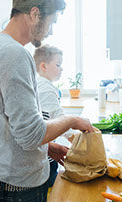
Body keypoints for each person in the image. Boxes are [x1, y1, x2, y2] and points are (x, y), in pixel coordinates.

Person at [0, 1, 94, 202]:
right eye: (52, 21)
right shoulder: (14, 54)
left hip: (0, 182)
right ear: (35, 14)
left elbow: (10, 124)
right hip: (17, 192)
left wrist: (47, 147)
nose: (51, 30)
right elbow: (30, 135)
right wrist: (71, 120)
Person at [33, 45, 74, 189]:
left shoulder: (39, 84)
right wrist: (77, 139)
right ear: (43, 66)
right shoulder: (46, 89)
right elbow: (59, 119)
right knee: (50, 194)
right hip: (47, 159)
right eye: (58, 64)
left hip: (44, 152)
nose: (61, 68)